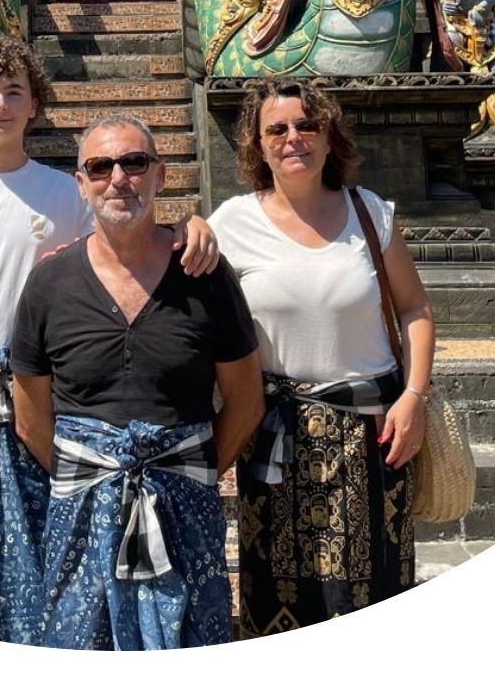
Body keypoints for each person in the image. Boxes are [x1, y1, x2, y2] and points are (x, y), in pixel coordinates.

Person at [0, 37, 219, 642]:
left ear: (36, 104)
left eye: (15, 92)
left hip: (45, 406)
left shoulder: (70, 193)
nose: (0, 106)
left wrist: (188, 225)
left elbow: (130, 237)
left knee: (51, 570)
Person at [11, 115, 265, 650]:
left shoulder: (204, 275)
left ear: (159, 175)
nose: (118, 178)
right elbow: (31, 415)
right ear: (81, 183)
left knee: (191, 636)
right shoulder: (50, 283)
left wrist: (187, 472)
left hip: (183, 503)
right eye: (100, 167)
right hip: (83, 502)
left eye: (134, 162)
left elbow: (245, 402)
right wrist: (91, 475)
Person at [207, 79, 434, 635]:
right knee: (280, 594)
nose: (294, 139)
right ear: (258, 146)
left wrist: (414, 396)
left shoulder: (370, 213)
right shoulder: (231, 224)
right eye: (277, 129)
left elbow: (415, 309)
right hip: (279, 436)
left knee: (377, 589)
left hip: (375, 432)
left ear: (330, 137)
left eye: (308, 125)